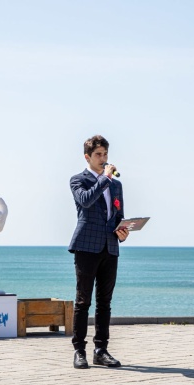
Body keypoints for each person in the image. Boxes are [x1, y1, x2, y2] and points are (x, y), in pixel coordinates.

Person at [68, 135, 129, 369]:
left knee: (105, 302)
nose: (103, 158)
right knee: (83, 301)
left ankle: (101, 350)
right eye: (98, 155)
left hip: (110, 247)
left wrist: (123, 231)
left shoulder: (116, 185)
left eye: (105, 154)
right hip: (86, 246)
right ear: (88, 157)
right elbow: (85, 200)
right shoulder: (78, 180)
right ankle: (79, 351)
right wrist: (104, 178)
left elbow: (118, 215)